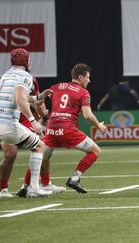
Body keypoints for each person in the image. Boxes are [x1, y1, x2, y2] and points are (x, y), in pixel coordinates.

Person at [0, 48, 52, 197]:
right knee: (39, 146)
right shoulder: (25, 76)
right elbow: (20, 99)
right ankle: (34, 187)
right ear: (26, 61)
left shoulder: (5, 75)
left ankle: (3, 192)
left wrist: (37, 97)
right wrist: (33, 121)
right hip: (7, 123)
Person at [0, 77, 65, 198]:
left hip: (24, 119)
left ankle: (44, 184)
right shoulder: (6, 79)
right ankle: (3, 189)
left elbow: (36, 101)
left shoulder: (31, 80)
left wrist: (45, 118)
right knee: (10, 154)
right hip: (7, 120)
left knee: (42, 145)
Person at [39, 63, 107, 193]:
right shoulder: (83, 92)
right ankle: (75, 179)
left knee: (42, 157)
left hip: (52, 128)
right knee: (95, 151)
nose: (89, 80)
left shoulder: (56, 87)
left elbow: (38, 101)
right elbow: (87, 115)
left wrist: (45, 118)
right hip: (68, 129)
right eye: (87, 77)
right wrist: (98, 125)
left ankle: (35, 185)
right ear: (80, 77)